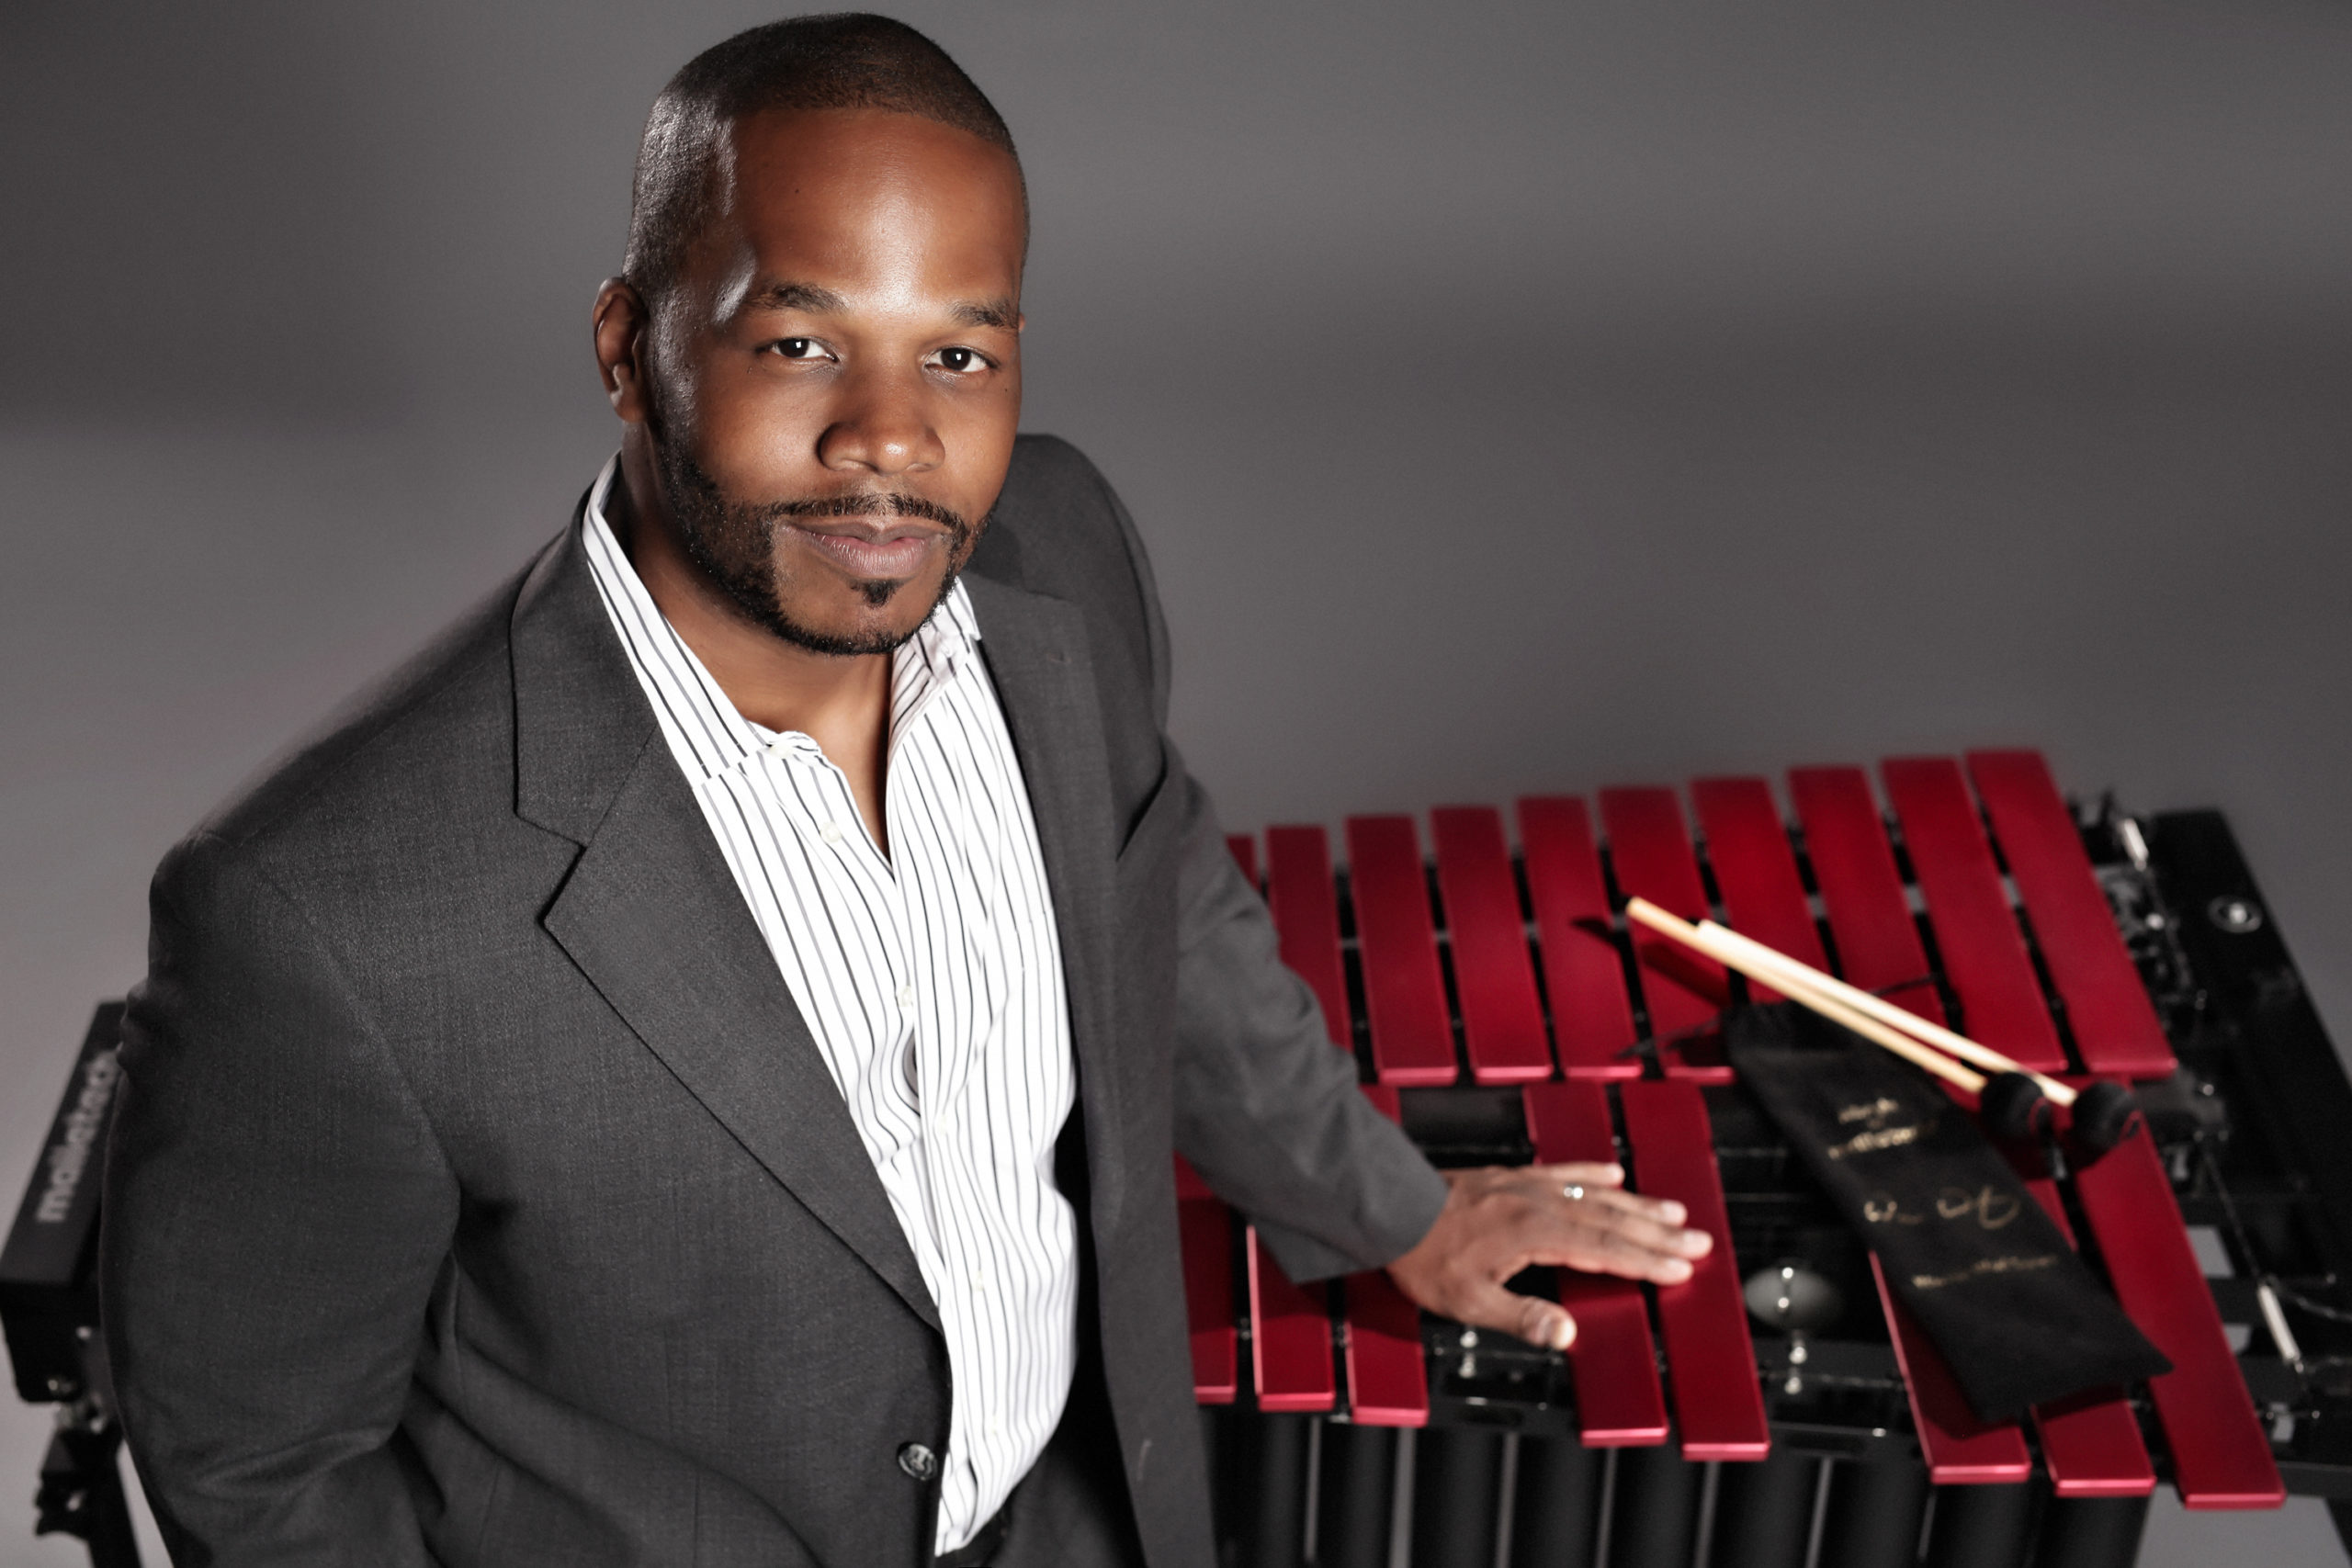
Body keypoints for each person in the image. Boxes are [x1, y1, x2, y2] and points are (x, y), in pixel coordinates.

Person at [101, 15, 1710, 1566]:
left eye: (957, 353)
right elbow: (263, 1467)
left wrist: (1395, 1213)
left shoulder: (1061, 558)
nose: (891, 438)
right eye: (800, 344)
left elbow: (1160, 908)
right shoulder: (327, 915)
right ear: (628, 350)